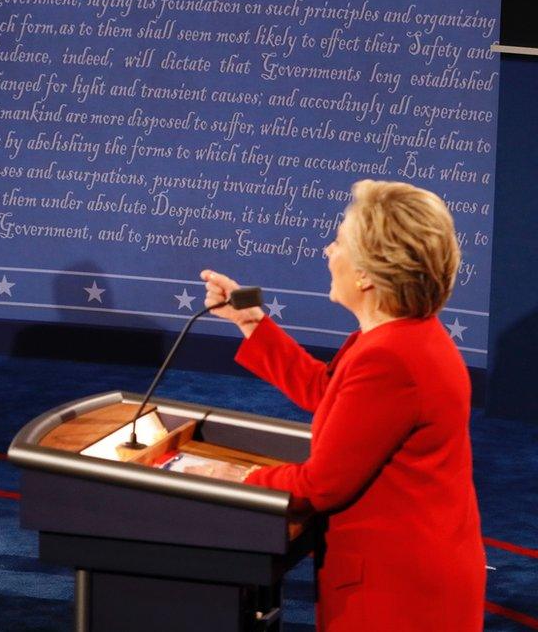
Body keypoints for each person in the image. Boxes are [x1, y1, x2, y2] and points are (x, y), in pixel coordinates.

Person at [201, 180, 485, 630]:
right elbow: (329, 393)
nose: (327, 251)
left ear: (367, 274)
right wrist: (250, 321)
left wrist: (239, 481)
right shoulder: (407, 338)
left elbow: (321, 484)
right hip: (415, 578)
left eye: (338, 241)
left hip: (397, 598)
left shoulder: (390, 357)